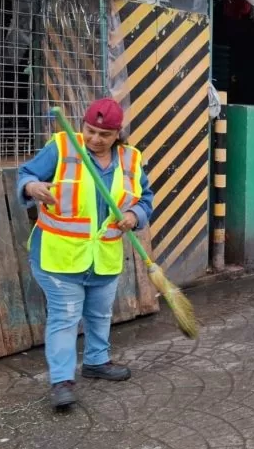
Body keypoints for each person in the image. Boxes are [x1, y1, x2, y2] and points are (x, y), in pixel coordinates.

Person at [17, 98, 154, 410]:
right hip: (59, 255)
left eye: (103, 135)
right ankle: (62, 381)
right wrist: (32, 187)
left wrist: (133, 216)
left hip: (103, 254)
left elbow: (145, 198)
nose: (94, 139)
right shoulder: (63, 147)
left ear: (117, 134)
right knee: (65, 317)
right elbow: (26, 174)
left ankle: (96, 361)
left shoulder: (131, 159)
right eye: (90, 131)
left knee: (100, 313)